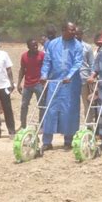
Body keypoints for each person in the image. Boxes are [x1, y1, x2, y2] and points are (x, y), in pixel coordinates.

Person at [40, 22, 83, 150]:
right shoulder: (53, 44)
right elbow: (47, 61)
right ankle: (47, 142)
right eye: (72, 29)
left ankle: (68, 140)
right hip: (54, 82)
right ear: (64, 30)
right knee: (51, 111)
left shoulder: (78, 45)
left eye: (75, 29)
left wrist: (69, 76)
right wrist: (43, 75)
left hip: (71, 83)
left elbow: (77, 63)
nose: (74, 32)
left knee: (69, 111)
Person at [17, 38, 45, 129]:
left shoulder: (42, 55)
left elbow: (46, 68)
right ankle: (23, 125)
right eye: (33, 45)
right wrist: (19, 83)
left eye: (36, 45)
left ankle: (41, 125)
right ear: (28, 47)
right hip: (27, 85)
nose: (36, 47)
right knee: (24, 105)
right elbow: (22, 70)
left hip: (39, 84)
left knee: (41, 105)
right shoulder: (24, 56)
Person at [75, 26, 95, 122]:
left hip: (84, 79)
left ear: (82, 35)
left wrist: (92, 77)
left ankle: (89, 126)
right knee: (73, 104)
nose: (76, 36)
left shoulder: (87, 47)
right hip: (72, 80)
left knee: (87, 104)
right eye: (74, 34)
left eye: (78, 34)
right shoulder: (68, 47)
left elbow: (92, 64)